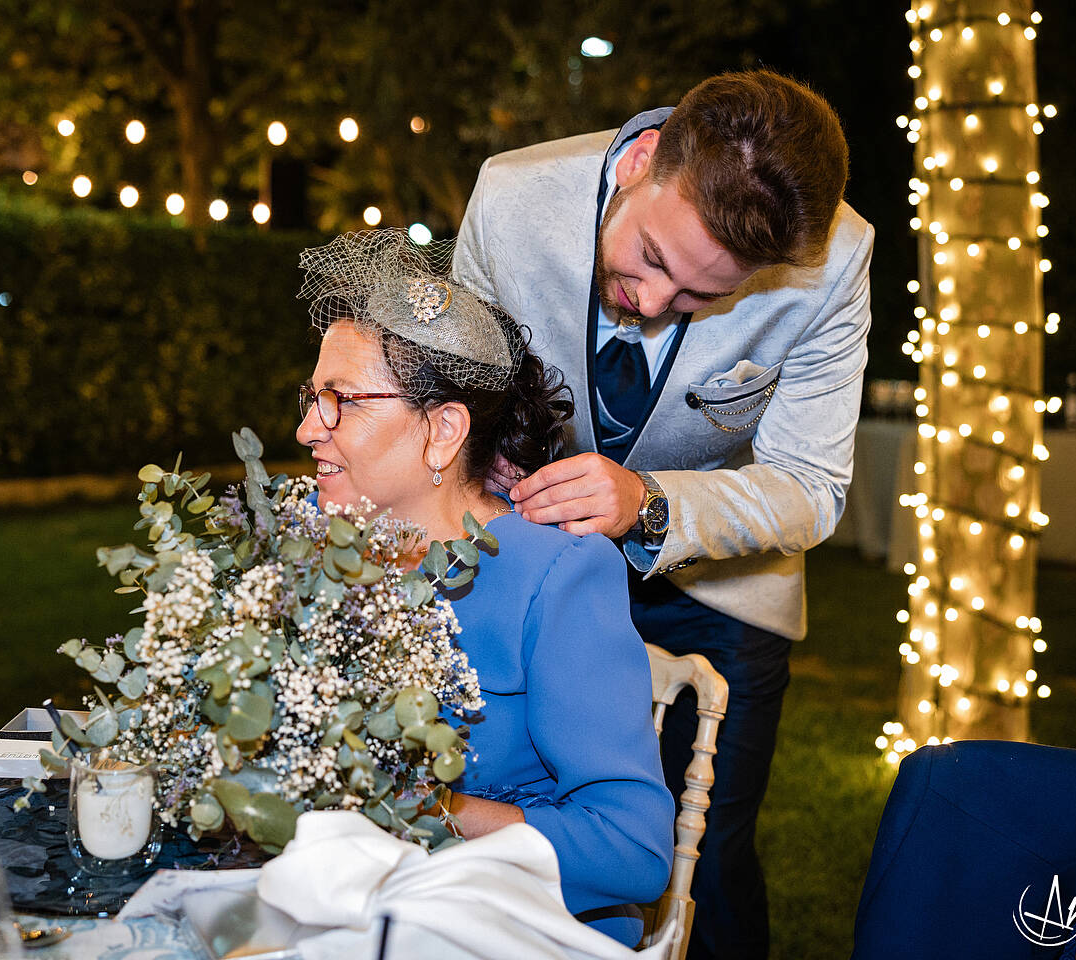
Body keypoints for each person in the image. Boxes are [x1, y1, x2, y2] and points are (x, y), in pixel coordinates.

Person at [451, 70, 874, 960]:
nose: (648, 303)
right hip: (535, 571)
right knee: (502, 814)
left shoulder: (836, 262)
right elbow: (466, 386)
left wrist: (649, 503)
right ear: (642, 160)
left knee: (707, 864)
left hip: (721, 590)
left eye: (696, 298)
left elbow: (810, 485)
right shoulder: (512, 195)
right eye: (649, 258)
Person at [294, 229, 675, 948]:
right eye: (313, 396)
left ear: (443, 431)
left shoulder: (559, 577)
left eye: (341, 400)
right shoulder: (310, 543)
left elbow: (634, 852)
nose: (307, 428)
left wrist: (427, 811)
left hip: (514, 930)